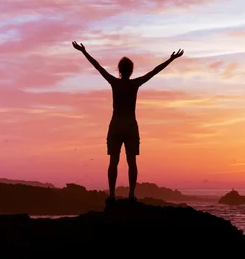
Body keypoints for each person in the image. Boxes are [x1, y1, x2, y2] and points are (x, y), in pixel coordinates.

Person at [72, 41, 184, 204]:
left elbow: (97, 67)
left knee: (113, 161)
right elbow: (154, 72)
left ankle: (111, 195)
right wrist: (171, 59)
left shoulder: (114, 82)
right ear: (131, 70)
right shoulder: (134, 84)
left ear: (119, 70)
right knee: (132, 162)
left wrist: (84, 51)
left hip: (116, 125)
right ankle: (131, 195)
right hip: (130, 125)